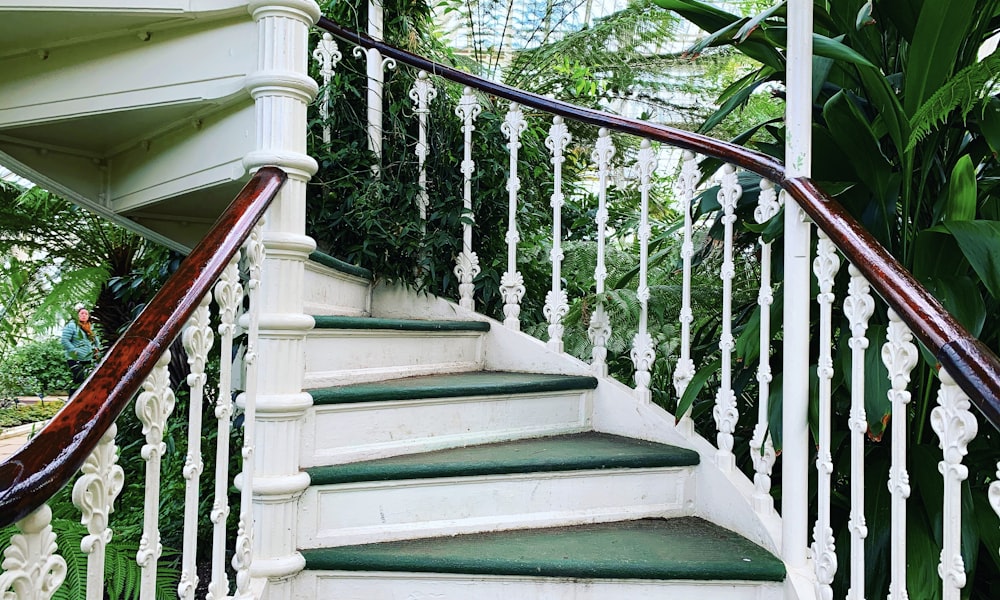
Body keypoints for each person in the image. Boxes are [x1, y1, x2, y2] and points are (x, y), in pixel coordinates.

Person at [61, 303, 101, 393]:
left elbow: (96, 341)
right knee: (79, 379)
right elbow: (64, 340)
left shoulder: (90, 328)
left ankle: (78, 401)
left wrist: (96, 349)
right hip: (75, 358)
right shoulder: (72, 325)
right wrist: (73, 350)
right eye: (81, 313)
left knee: (84, 381)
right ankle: (72, 400)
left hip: (87, 358)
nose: (84, 315)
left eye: (86, 314)